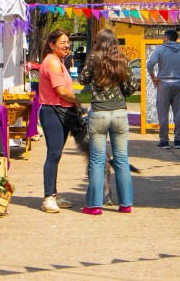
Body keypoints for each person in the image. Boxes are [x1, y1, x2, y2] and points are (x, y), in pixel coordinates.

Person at [78, 29, 137, 215]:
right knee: (121, 159)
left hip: (99, 113)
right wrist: (122, 93)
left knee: (97, 159)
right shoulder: (122, 59)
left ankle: (95, 205)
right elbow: (133, 85)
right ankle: (126, 203)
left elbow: (82, 80)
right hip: (119, 113)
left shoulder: (93, 58)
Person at [37, 29, 82, 212]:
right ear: (52, 45)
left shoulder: (60, 62)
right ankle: (48, 197)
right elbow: (62, 91)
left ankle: (54, 194)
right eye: (63, 42)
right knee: (53, 154)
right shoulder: (52, 62)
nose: (67, 45)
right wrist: (77, 101)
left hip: (63, 111)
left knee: (57, 154)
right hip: (52, 111)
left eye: (68, 42)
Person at [146, 29, 180, 149]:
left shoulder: (160, 50)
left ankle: (164, 140)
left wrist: (153, 77)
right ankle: (177, 140)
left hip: (164, 83)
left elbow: (150, 64)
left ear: (166, 37)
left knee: (163, 113)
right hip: (178, 84)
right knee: (178, 113)